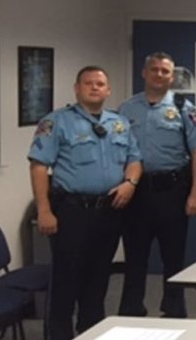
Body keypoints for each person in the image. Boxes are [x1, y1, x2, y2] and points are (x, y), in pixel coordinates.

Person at [29, 66, 142, 340]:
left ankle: (91, 332)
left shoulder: (119, 123)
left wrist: (130, 183)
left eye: (100, 83)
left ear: (108, 90)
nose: (94, 88)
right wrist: (44, 210)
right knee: (66, 280)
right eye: (88, 83)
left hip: (109, 211)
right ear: (77, 88)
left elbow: (135, 160)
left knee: (99, 278)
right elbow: (39, 166)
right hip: (71, 211)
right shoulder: (57, 122)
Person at [118, 52, 196, 318]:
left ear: (172, 77)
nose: (159, 75)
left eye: (165, 71)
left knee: (174, 256)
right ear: (144, 73)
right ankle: (131, 309)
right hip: (137, 192)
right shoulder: (126, 108)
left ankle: (174, 309)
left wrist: (195, 192)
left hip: (172, 191)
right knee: (135, 255)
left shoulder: (184, 108)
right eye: (155, 70)